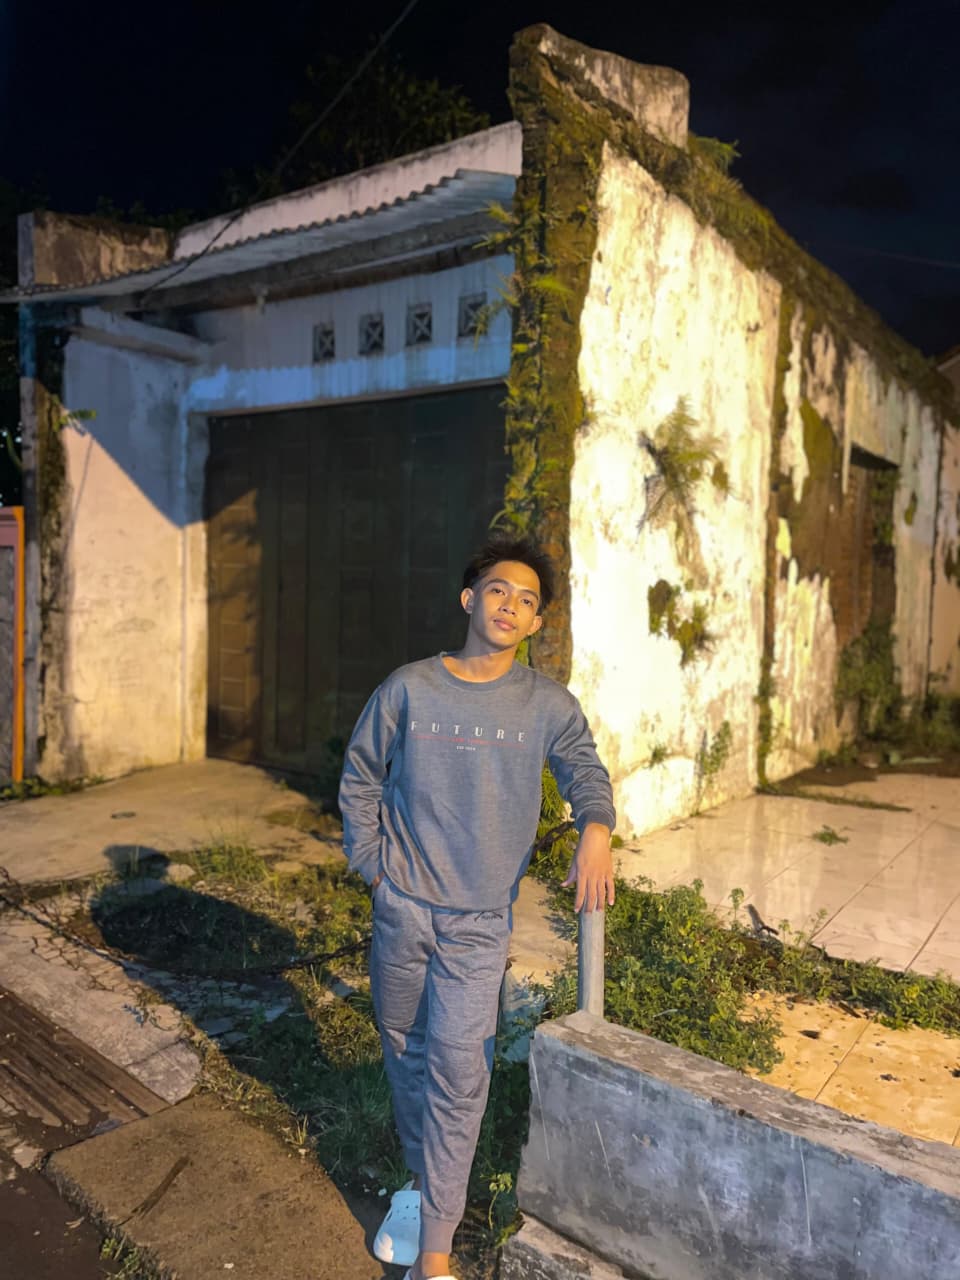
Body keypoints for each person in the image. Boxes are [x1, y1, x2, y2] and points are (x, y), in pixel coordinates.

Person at [338, 533, 616, 1280]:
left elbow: (585, 771)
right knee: (406, 1049)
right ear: (469, 599)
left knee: (461, 1073)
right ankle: (421, 1180)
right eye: (499, 590)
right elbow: (361, 777)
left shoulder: (546, 705)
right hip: (401, 911)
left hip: (478, 925)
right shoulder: (409, 688)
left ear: (535, 623)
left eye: (527, 601)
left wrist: (596, 828)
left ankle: (435, 1251)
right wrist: (375, 872)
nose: (510, 606)